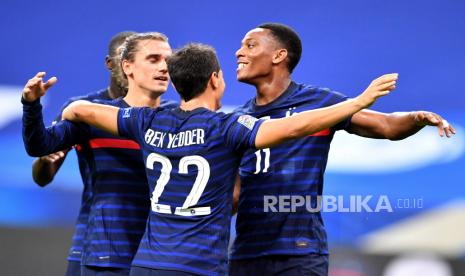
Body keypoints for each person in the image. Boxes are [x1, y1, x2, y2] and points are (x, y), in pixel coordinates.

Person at [59, 43, 397, 275]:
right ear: (215, 79)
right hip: (198, 265)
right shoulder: (227, 126)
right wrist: (357, 101)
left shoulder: (147, 120)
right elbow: (292, 128)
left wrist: (70, 109)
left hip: (147, 263)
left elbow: (86, 111)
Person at [230, 23, 456, 276]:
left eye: (250, 45)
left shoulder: (318, 103)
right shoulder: (240, 120)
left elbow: (386, 125)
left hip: (299, 252)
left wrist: (416, 118)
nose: (239, 53)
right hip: (246, 253)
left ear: (278, 55)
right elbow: (235, 194)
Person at [21, 32, 176, 276]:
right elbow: (40, 149)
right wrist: (31, 106)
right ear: (124, 65)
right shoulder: (87, 112)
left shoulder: (178, 117)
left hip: (162, 252)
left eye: (168, 60)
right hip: (104, 246)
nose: (164, 67)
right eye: (154, 59)